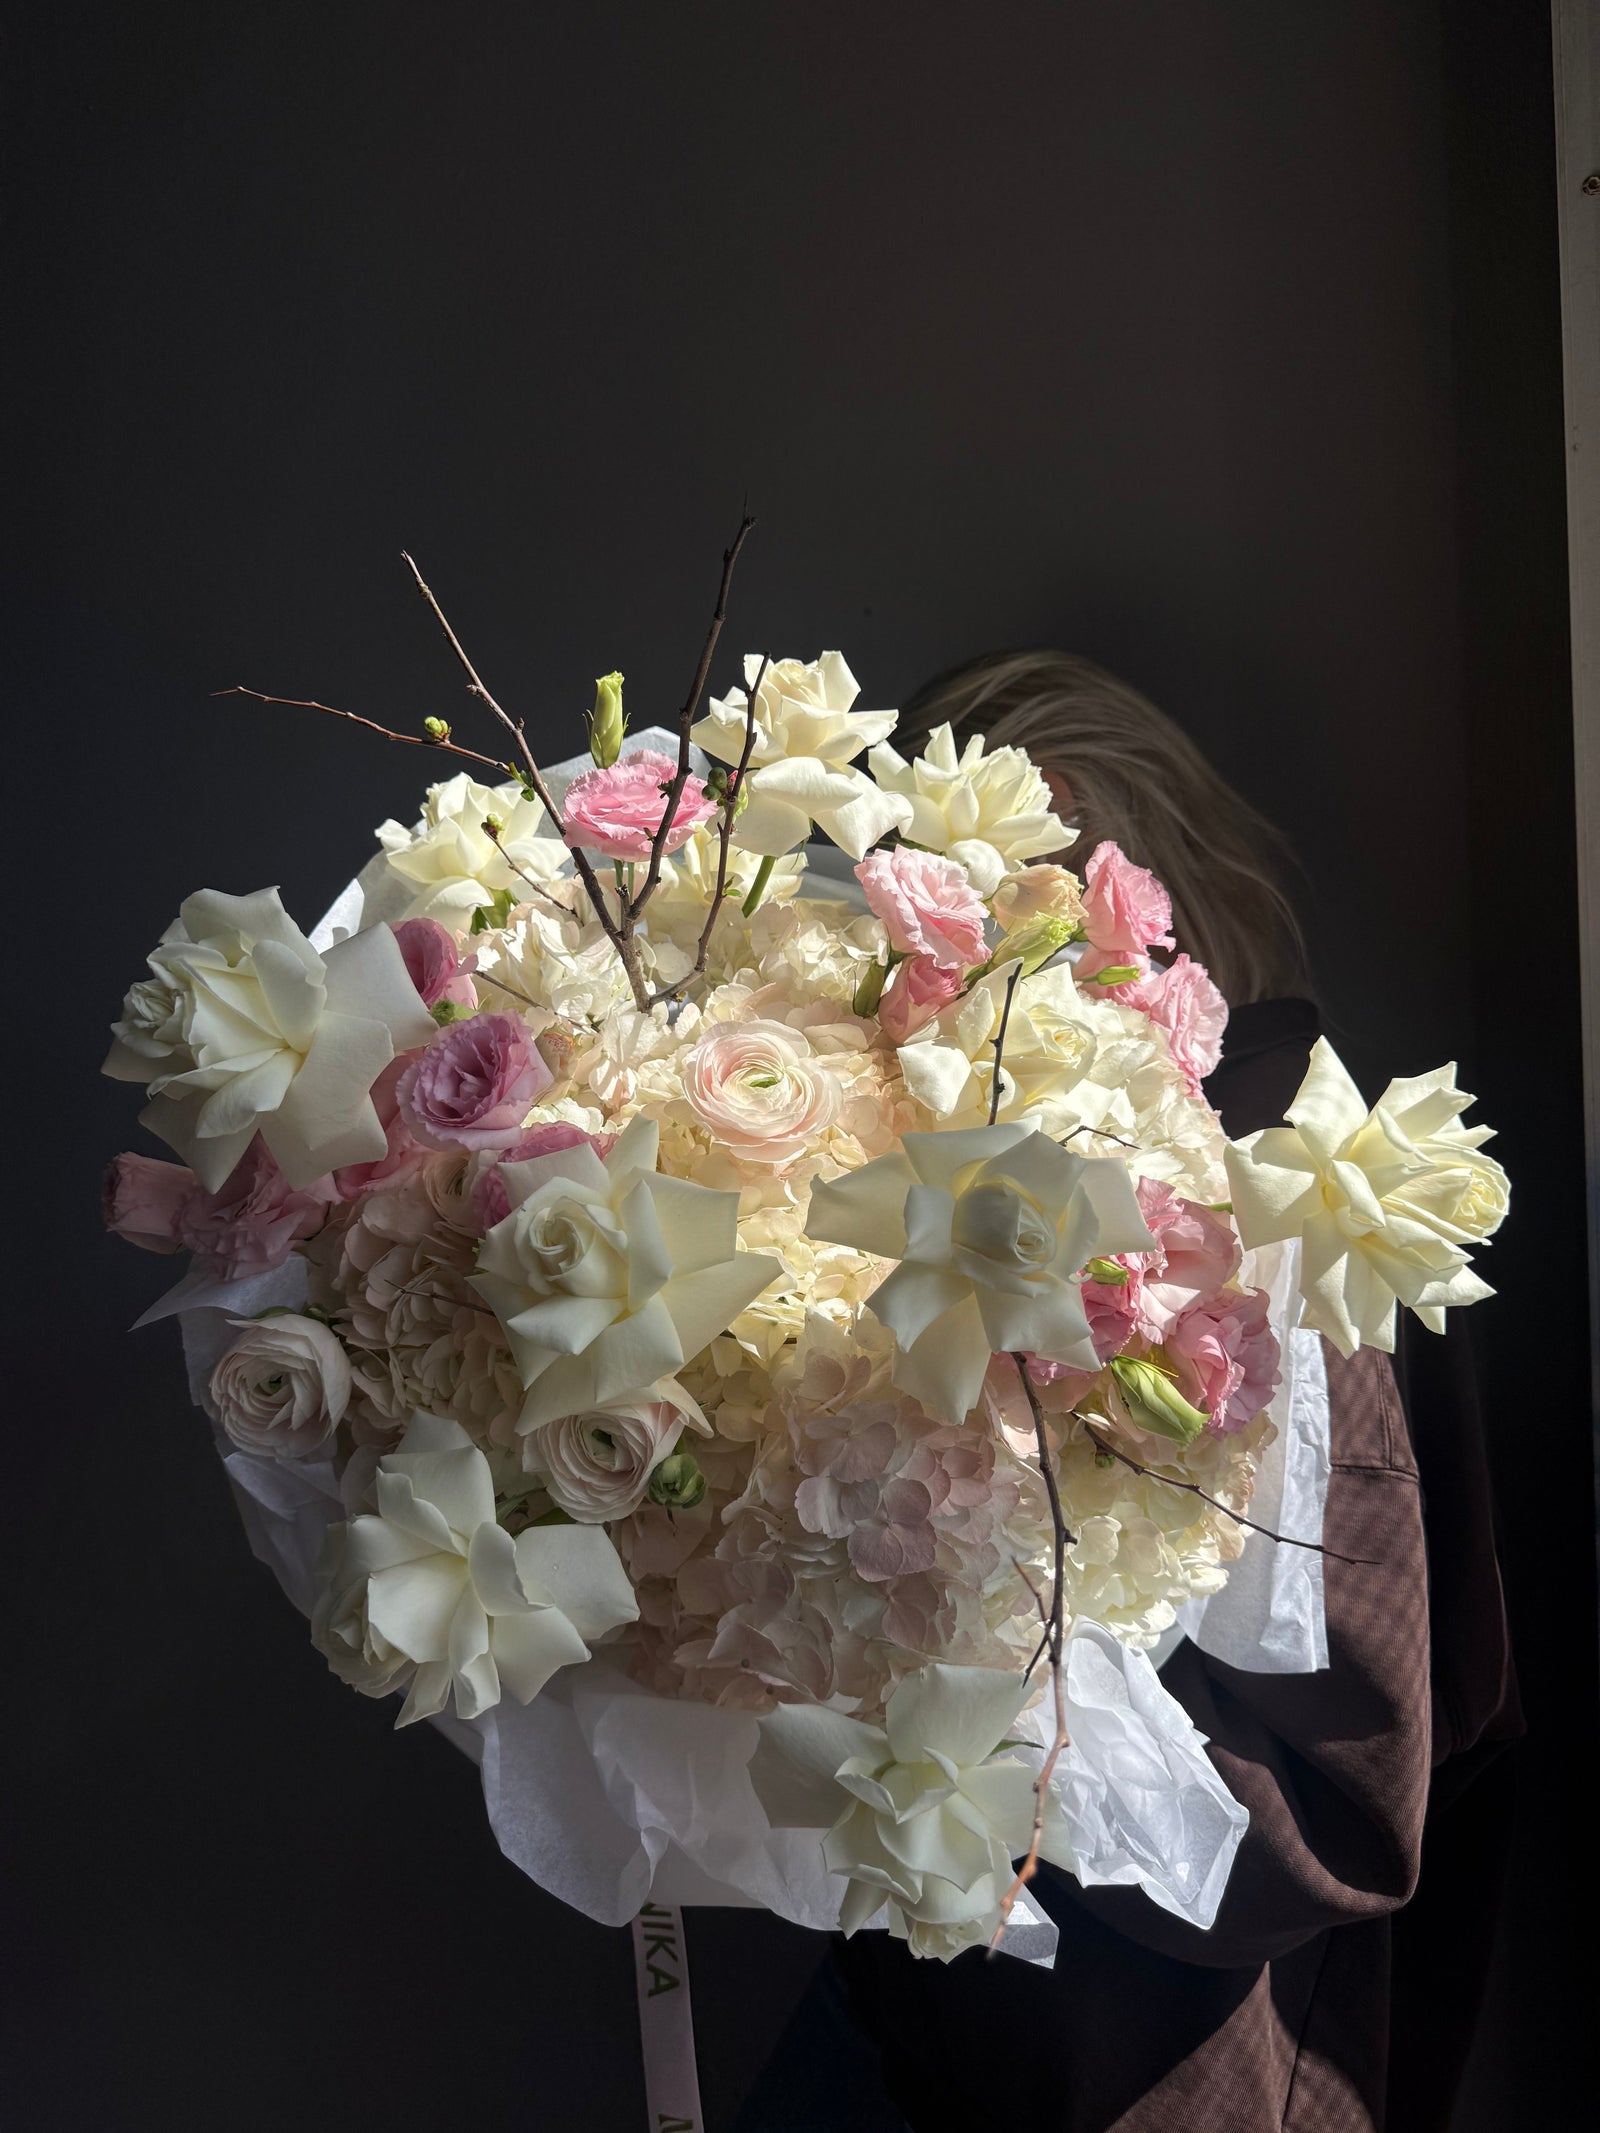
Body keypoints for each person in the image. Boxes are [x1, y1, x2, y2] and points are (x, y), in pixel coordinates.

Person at [737, 651, 1520, 2133]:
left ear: (1105, 857)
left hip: (1147, 2052)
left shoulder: (1286, 1179)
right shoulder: (1026, 1173)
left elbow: (1350, 1772)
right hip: (963, 2010)